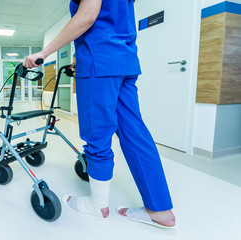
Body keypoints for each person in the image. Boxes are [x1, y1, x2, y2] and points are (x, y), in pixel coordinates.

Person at [23, 0, 176, 228]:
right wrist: (80, 56)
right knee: (135, 133)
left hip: (100, 63)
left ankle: (98, 205)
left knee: (97, 133)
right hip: (124, 61)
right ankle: (161, 210)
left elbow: (87, 16)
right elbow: (114, 22)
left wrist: (44, 53)